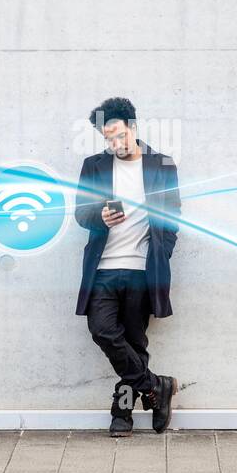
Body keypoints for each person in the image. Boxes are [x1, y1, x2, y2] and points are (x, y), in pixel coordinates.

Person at [74, 97, 181, 437]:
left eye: (119, 135)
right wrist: (101, 217)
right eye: (107, 137)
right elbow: (81, 214)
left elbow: (172, 219)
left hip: (141, 270)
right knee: (102, 330)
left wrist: (161, 254)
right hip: (103, 269)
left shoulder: (162, 165)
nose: (114, 143)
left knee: (135, 343)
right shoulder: (94, 166)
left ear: (133, 128)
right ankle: (156, 387)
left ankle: (122, 415)